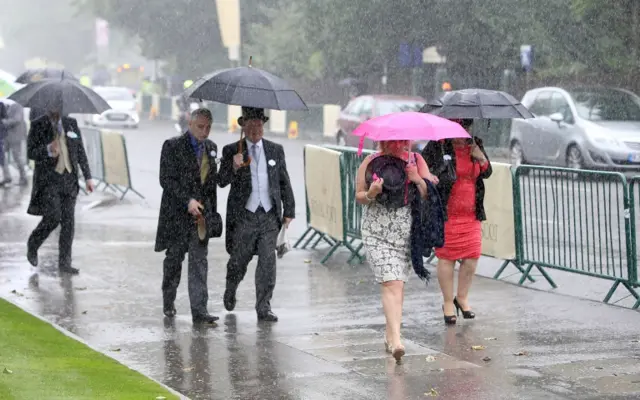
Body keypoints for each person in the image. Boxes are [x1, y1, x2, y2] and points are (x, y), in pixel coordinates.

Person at [355, 140, 437, 362]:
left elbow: (431, 195)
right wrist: (372, 192)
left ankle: (390, 335)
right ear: (383, 141)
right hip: (376, 232)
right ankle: (397, 340)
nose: (398, 144)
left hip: (406, 233)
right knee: (392, 283)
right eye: (393, 140)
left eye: (403, 140)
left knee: (398, 285)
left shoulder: (416, 160)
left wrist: (417, 179)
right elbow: (359, 195)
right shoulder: (371, 161)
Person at [218, 107, 295, 322]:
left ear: (263, 126)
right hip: (244, 216)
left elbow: (284, 181)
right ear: (243, 126)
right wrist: (233, 166)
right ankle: (231, 287)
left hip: (269, 216)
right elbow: (221, 181)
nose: (255, 130)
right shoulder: (232, 150)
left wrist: (289, 210)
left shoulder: (275, 150)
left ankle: (264, 306)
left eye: (259, 125)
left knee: (267, 262)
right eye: (250, 125)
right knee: (238, 260)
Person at [422, 119, 492, 325]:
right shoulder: (438, 145)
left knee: (472, 256)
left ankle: (462, 298)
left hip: (471, 212)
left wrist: (480, 158)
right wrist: (433, 176)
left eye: (467, 127)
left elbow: (487, 173)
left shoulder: (475, 143)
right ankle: (447, 302)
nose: (464, 132)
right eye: (460, 127)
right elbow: (423, 167)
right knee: (447, 258)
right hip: (446, 212)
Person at [155, 108, 221, 325]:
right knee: (174, 260)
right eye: (201, 126)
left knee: (199, 262)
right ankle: (169, 299)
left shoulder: (211, 149)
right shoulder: (172, 146)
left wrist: (211, 214)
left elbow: (212, 184)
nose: (205, 131)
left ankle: (199, 310)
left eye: (208, 127)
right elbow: (166, 179)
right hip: (176, 216)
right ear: (190, 124)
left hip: (200, 219)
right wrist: (187, 200)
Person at [26, 107, 94, 275]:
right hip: (50, 180)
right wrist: (48, 150)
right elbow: (30, 152)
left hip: (69, 179)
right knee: (53, 217)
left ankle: (65, 263)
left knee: (69, 223)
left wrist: (88, 177)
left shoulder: (71, 123)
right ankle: (33, 243)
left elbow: (80, 151)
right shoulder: (38, 124)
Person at [1, 100, 28, 186]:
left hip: (16, 136)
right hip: (6, 135)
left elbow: (17, 119)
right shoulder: (6, 105)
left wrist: (4, 122)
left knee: (17, 157)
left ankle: (23, 177)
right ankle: (7, 177)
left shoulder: (17, 105)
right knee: (2, 156)